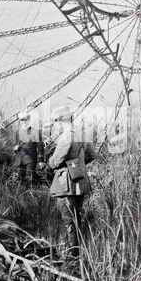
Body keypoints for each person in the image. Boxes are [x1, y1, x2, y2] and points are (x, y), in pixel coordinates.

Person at [48, 106, 96, 258]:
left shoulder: (67, 136)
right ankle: (76, 253)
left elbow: (56, 161)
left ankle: (72, 256)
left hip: (66, 183)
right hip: (80, 181)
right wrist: (77, 163)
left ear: (60, 121)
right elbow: (91, 155)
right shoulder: (82, 133)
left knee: (69, 219)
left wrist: (49, 164)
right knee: (76, 217)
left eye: (56, 121)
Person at [12, 111, 45, 183]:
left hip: (30, 159)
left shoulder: (35, 131)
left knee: (29, 179)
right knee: (19, 180)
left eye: (25, 120)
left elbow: (40, 147)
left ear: (29, 120)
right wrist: (15, 148)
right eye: (22, 120)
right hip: (19, 159)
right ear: (20, 121)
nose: (24, 122)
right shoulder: (17, 132)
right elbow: (14, 145)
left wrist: (41, 161)